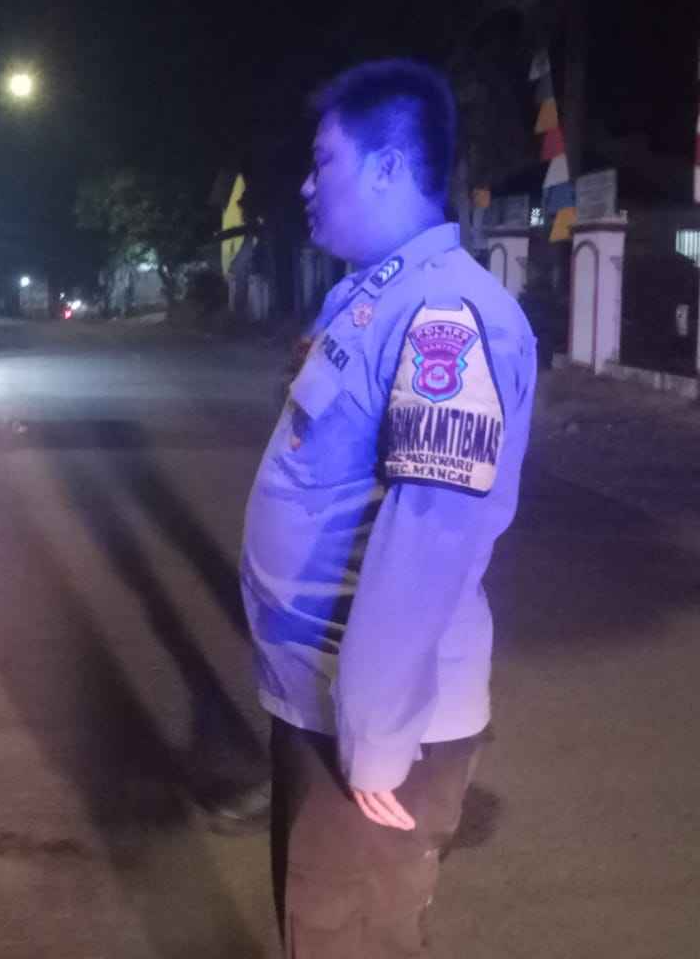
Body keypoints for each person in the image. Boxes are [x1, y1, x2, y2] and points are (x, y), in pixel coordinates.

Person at [240, 59, 537, 957]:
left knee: (351, 936)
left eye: (323, 160)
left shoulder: (446, 315)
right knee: (315, 925)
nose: (306, 183)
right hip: (319, 695)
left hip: (375, 722)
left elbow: (429, 535)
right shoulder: (368, 295)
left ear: (388, 167)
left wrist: (374, 739)